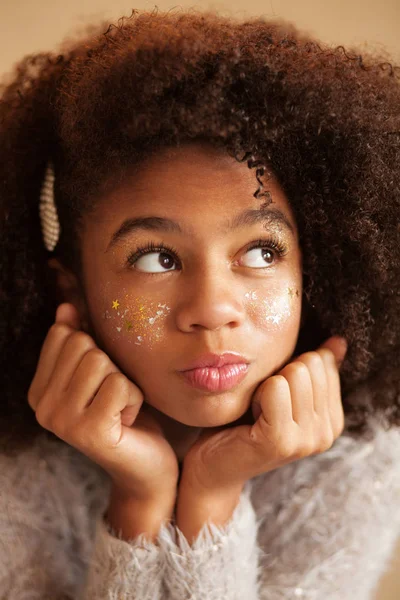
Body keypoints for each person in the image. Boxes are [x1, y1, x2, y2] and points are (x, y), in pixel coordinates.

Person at [0, 7, 399, 600]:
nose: (213, 309)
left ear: (317, 267)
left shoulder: (363, 465)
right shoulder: (15, 469)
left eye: (262, 252)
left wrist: (213, 493)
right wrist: (139, 501)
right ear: (72, 291)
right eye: (155, 258)